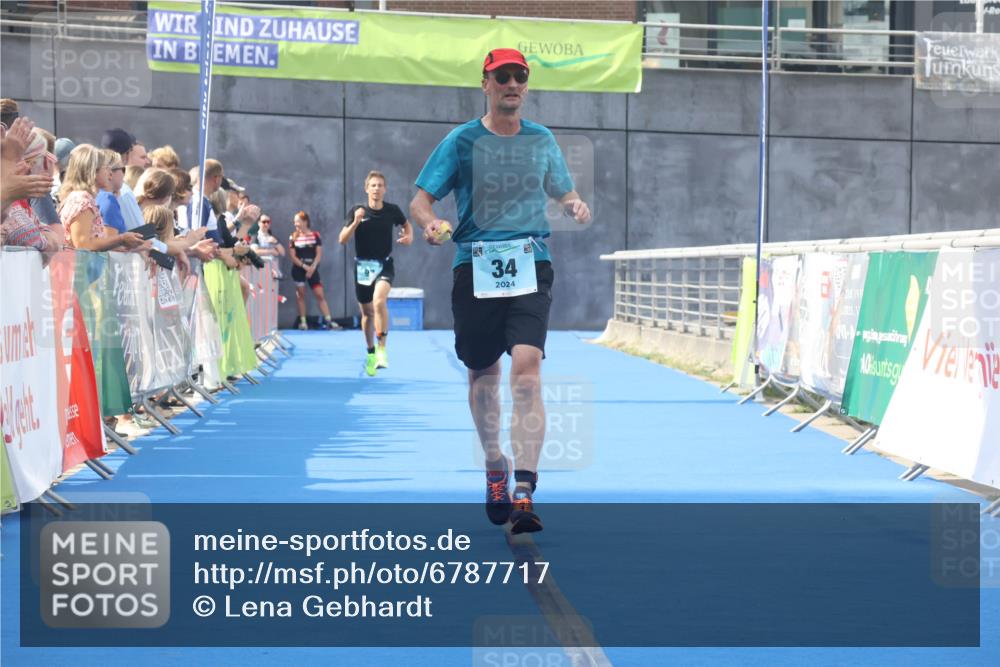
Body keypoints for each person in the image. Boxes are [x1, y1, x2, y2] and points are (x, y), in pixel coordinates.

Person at [410, 48, 591, 534]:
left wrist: (574, 205)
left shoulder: (541, 139)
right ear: (486, 84)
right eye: (503, 76)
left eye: (519, 77)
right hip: (475, 266)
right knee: (482, 376)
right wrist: (430, 223)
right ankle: (495, 464)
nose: (512, 84)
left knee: (527, 374)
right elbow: (421, 200)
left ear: (526, 85)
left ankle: (525, 489)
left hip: (531, 264)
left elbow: (564, 190)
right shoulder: (461, 141)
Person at [340, 170, 413, 376]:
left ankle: (382, 349)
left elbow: (407, 225)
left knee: (379, 301)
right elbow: (342, 239)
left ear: (385, 189)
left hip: (384, 264)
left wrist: (409, 237)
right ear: (366, 189)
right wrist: (355, 222)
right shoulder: (357, 211)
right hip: (363, 267)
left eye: (380, 185)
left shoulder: (392, 210)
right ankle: (371, 352)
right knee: (367, 314)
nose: (376, 189)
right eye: (373, 185)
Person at [58, 144, 146, 252]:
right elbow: (82, 244)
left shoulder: (82, 197)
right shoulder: (82, 201)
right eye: (106, 168)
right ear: (92, 172)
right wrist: (121, 238)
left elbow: (91, 242)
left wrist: (122, 244)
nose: (110, 172)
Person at [289, 210, 336, 331]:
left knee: (320, 294)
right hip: (299, 269)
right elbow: (293, 256)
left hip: (313, 269)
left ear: (305, 222)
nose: (295, 224)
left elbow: (319, 254)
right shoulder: (293, 237)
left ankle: (329, 321)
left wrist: (312, 268)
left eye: (297, 221)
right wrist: (305, 267)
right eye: (294, 222)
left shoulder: (315, 235)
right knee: (300, 295)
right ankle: (303, 322)